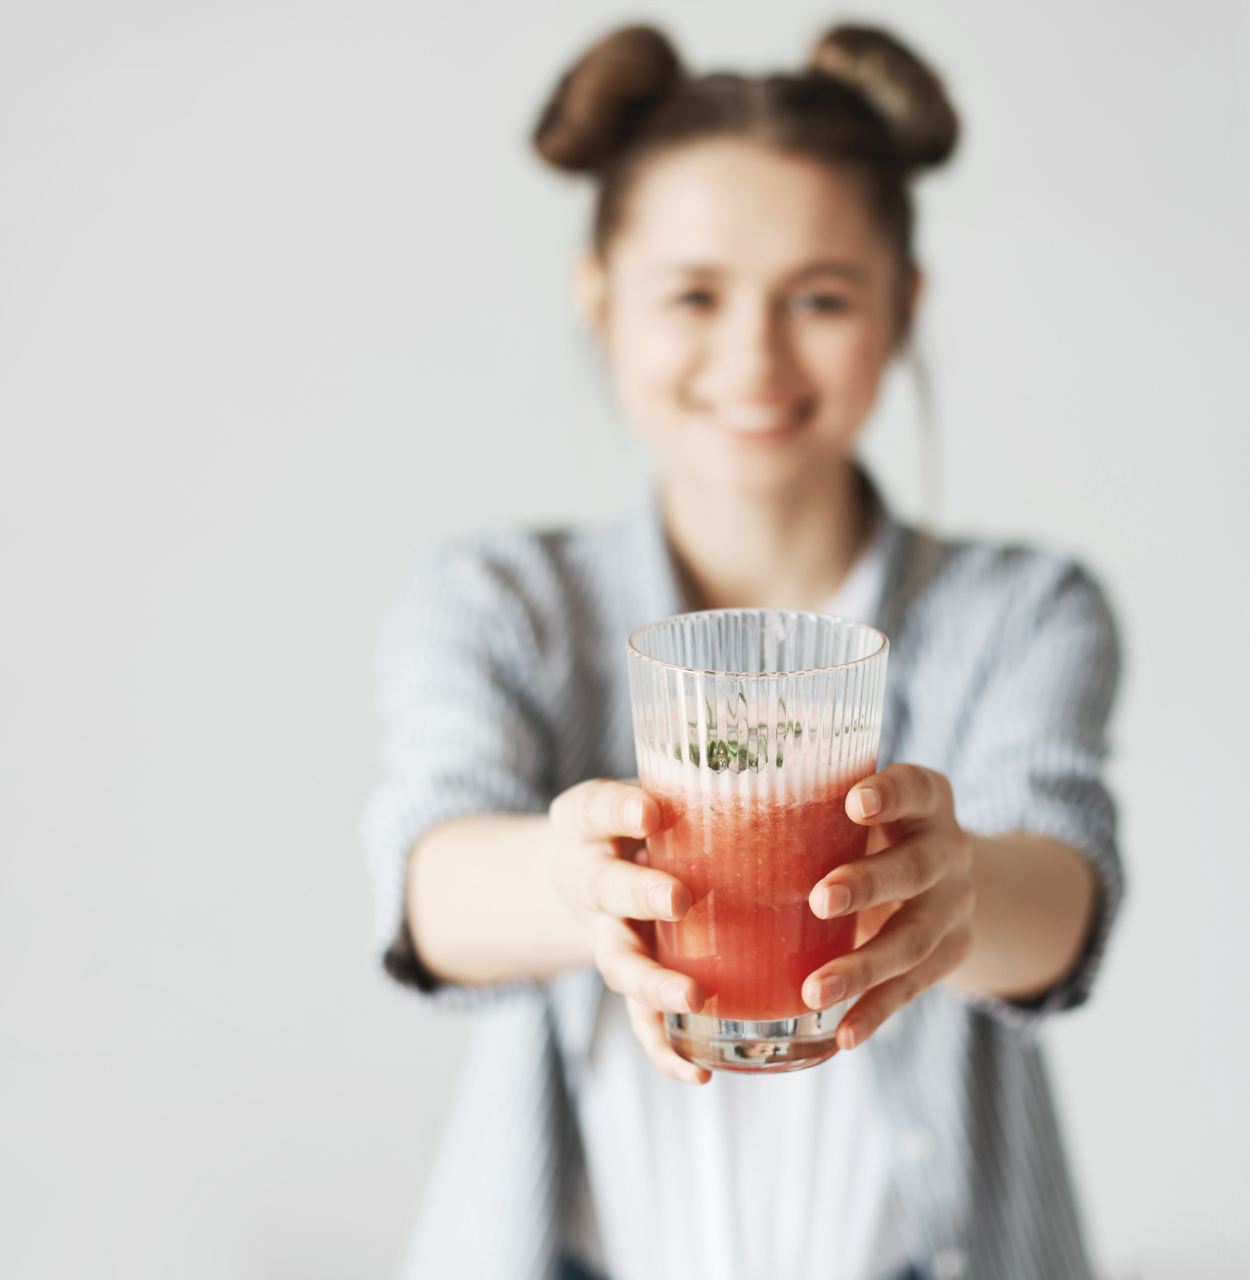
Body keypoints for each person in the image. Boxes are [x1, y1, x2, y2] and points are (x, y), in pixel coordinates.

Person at [365, 23, 1122, 1280]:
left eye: (820, 297)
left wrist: (956, 891)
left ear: (903, 305)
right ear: (600, 294)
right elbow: (428, 886)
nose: (755, 358)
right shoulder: (500, 600)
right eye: (695, 294)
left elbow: (1064, 896)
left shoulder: (1023, 608)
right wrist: (574, 882)